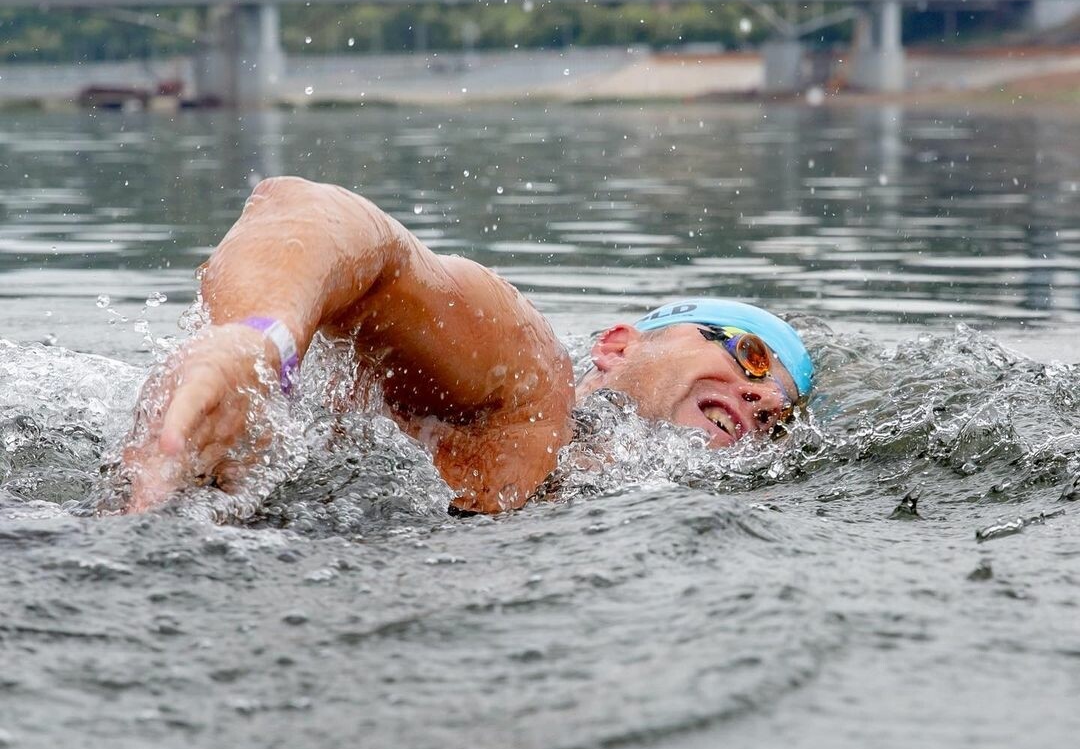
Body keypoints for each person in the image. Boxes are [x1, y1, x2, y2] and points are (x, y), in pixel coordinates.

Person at [122, 176, 814, 514]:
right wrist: (255, 343)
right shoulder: (530, 385)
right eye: (751, 357)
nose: (762, 399)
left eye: (781, 418)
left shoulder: (619, 495)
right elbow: (309, 212)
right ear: (618, 346)